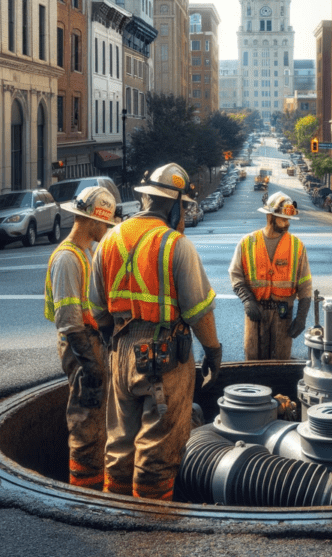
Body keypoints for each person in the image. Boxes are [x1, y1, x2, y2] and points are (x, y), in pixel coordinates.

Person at [89, 163, 222, 500]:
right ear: (176, 206)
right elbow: (198, 312)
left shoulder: (109, 240)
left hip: (120, 351)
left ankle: (115, 514)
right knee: (158, 449)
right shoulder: (175, 245)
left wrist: (116, 342)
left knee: (120, 444)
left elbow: (97, 310)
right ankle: (151, 523)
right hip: (163, 357)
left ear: (145, 198)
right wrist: (213, 351)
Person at [44, 186, 117, 489]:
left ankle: (95, 483)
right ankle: (83, 491)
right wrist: (91, 365)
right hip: (80, 347)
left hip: (91, 343)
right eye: (105, 223)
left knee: (98, 419)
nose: (107, 229)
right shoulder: (68, 258)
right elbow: (69, 321)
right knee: (85, 420)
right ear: (94, 220)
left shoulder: (86, 253)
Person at [229, 191, 312, 360]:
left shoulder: (296, 246)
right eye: (282, 219)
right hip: (256, 312)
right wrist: (247, 300)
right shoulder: (247, 242)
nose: (287, 224)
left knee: (281, 362)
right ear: (270, 216)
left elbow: (305, 285)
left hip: (283, 315)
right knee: (253, 360)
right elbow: (235, 274)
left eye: (288, 220)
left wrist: (301, 317)